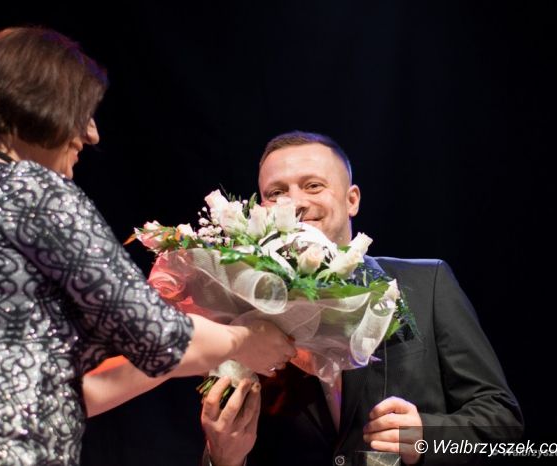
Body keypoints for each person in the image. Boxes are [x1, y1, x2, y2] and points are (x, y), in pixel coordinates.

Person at [0, 27, 295, 465]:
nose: (91, 135)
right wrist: (244, 339)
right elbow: (156, 334)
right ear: (40, 102)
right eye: (82, 113)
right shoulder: (31, 188)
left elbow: (66, 385)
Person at [200, 131, 523, 466]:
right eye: (276, 193)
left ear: (351, 199)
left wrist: (427, 437)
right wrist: (223, 457)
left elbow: (503, 421)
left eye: (313, 186)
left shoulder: (427, 284)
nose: (293, 203)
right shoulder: (242, 319)